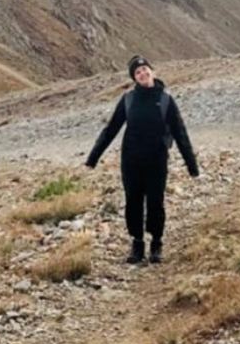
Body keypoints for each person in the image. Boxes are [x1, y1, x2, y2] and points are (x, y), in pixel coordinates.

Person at [85, 54, 199, 264]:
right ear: (134, 78)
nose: (143, 73)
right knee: (133, 201)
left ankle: (156, 243)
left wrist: (192, 165)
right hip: (131, 161)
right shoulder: (128, 100)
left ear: (152, 71)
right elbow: (110, 129)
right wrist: (93, 157)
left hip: (157, 160)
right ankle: (137, 243)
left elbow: (180, 132)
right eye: (138, 72)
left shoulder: (165, 99)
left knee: (156, 201)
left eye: (145, 69)